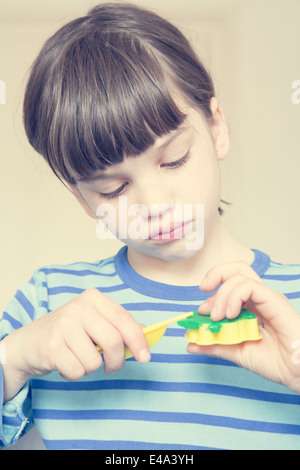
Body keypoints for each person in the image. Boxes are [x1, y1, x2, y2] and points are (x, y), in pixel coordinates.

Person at [1, 2, 300, 450]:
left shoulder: (291, 304)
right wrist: (14, 359)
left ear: (217, 127)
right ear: (82, 199)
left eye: (174, 159)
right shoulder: (48, 301)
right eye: (112, 189)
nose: (154, 205)